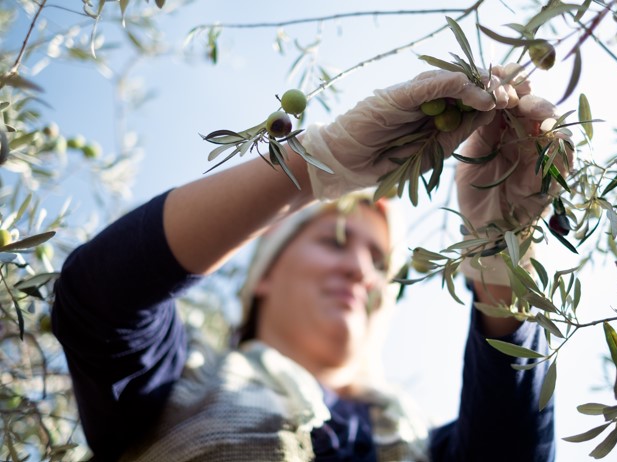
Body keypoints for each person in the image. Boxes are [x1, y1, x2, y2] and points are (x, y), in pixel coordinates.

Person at [52, 63, 565, 461]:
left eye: (378, 262)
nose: (360, 271)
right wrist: (312, 166)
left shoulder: (430, 449)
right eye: (337, 242)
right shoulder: (181, 384)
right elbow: (98, 302)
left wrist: (502, 259)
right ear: (266, 274)